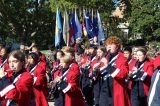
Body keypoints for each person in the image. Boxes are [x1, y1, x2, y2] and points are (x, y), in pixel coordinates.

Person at [99, 36, 131, 106]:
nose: (109, 46)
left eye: (111, 44)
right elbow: (101, 73)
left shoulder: (122, 58)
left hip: (115, 91)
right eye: (107, 44)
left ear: (117, 47)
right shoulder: (106, 57)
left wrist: (108, 66)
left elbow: (123, 74)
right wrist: (95, 70)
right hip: (104, 90)